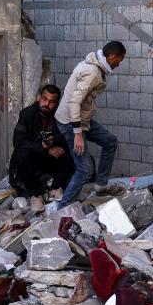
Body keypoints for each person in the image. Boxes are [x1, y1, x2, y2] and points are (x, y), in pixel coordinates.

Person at [55, 41, 126, 208]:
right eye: (119, 60)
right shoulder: (93, 73)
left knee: (110, 141)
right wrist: (77, 134)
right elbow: (74, 102)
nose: (119, 64)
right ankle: (63, 209)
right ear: (112, 56)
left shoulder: (95, 66)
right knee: (85, 169)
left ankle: (101, 185)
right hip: (70, 122)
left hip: (81, 119)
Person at [9, 84, 74, 213]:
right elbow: (18, 142)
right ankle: (36, 195)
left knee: (73, 149)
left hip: (50, 161)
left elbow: (67, 135)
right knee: (22, 153)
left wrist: (54, 140)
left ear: (56, 103)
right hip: (32, 161)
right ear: (39, 97)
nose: (46, 104)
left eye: (51, 102)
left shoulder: (60, 115)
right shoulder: (27, 114)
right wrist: (45, 149)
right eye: (44, 99)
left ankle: (55, 188)